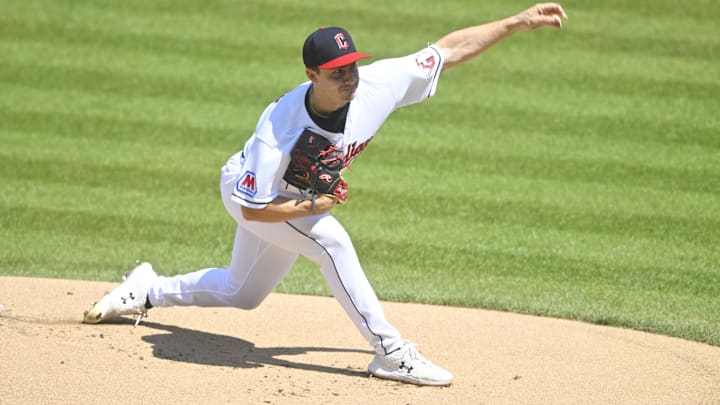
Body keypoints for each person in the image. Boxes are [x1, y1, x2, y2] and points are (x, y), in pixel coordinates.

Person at [84, 3, 568, 386]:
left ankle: (146, 289)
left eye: (352, 67)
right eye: (337, 72)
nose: (349, 78)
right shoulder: (279, 128)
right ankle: (390, 352)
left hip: (291, 198)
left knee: (243, 292)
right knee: (332, 243)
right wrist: (318, 204)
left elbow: (448, 49)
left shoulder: (376, 84)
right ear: (313, 74)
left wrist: (516, 21)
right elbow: (256, 208)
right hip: (254, 194)